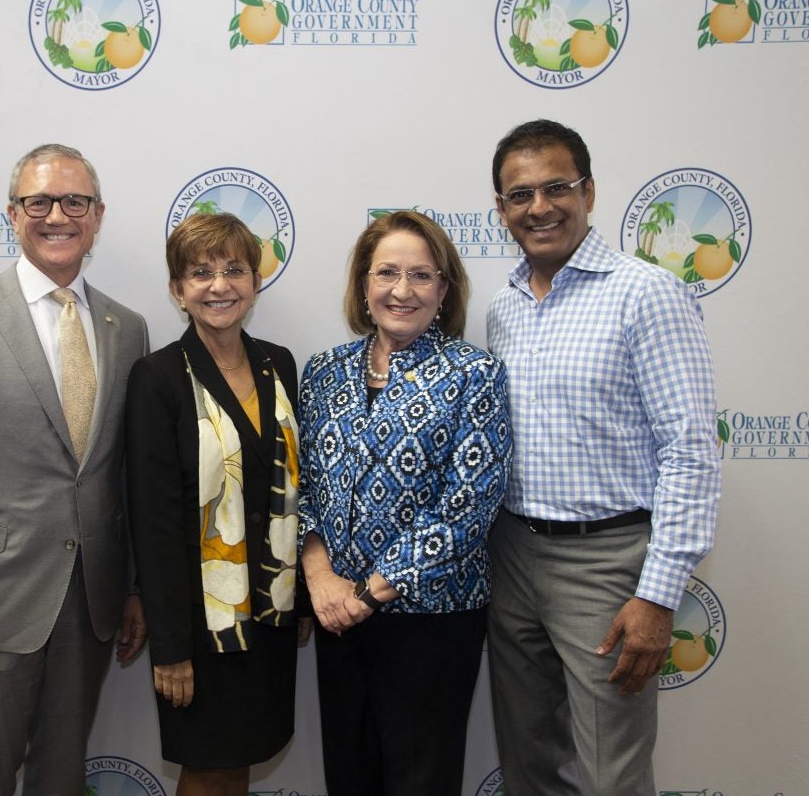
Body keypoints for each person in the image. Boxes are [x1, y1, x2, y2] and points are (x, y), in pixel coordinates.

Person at [0, 142, 150, 795]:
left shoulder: (129, 328)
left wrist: (131, 587)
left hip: (90, 601)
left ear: (97, 215)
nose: (56, 215)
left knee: (61, 777)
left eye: (74, 201)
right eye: (38, 201)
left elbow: (125, 473)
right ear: (12, 214)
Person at [485, 119, 721, 796]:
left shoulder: (646, 293)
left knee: (609, 773)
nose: (540, 207)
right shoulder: (502, 305)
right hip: (512, 552)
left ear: (588, 191)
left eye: (556, 187)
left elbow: (689, 451)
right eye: (519, 194)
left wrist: (656, 592)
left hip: (607, 563)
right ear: (500, 210)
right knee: (528, 762)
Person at [297, 210, 511, 795]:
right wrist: (320, 580)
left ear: (444, 289)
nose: (401, 289)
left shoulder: (475, 375)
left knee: (421, 781)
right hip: (337, 614)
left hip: (433, 624)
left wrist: (371, 592)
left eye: (421, 275)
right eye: (386, 272)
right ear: (363, 286)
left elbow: (468, 507)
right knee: (350, 775)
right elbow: (303, 488)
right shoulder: (323, 373)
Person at [126, 213, 310, 796]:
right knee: (207, 768)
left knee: (244, 763)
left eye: (234, 269)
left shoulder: (279, 363)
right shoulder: (156, 377)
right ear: (178, 290)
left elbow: (291, 491)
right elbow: (153, 523)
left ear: (255, 282)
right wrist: (171, 648)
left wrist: (299, 600)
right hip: (201, 627)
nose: (219, 285)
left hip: (270, 616)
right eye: (200, 272)